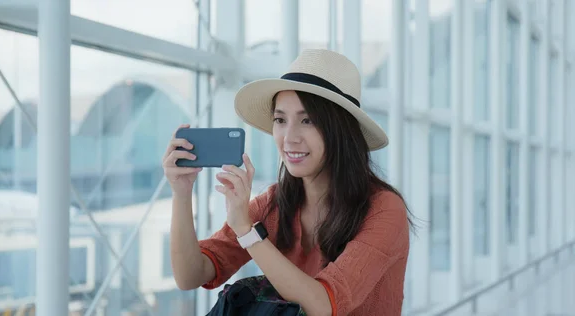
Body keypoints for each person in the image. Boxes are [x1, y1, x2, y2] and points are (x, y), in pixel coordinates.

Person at [163, 49, 413, 316]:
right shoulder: (275, 202)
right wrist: (182, 192)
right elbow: (190, 276)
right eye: (280, 120)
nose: (289, 138)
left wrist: (247, 232)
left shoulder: (384, 209)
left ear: (341, 130)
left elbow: (324, 305)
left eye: (308, 120)